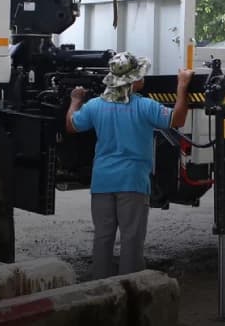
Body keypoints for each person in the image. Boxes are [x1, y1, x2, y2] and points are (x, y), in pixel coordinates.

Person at [65, 52, 192, 279]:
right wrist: (182, 86)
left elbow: (72, 125)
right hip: (132, 182)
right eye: (140, 75)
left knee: (103, 237)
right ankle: (130, 288)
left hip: (102, 182)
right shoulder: (144, 106)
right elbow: (178, 120)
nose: (143, 78)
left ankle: (99, 289)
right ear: (132, 81)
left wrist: (75, 101)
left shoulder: (95, 106)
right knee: (131, 239)